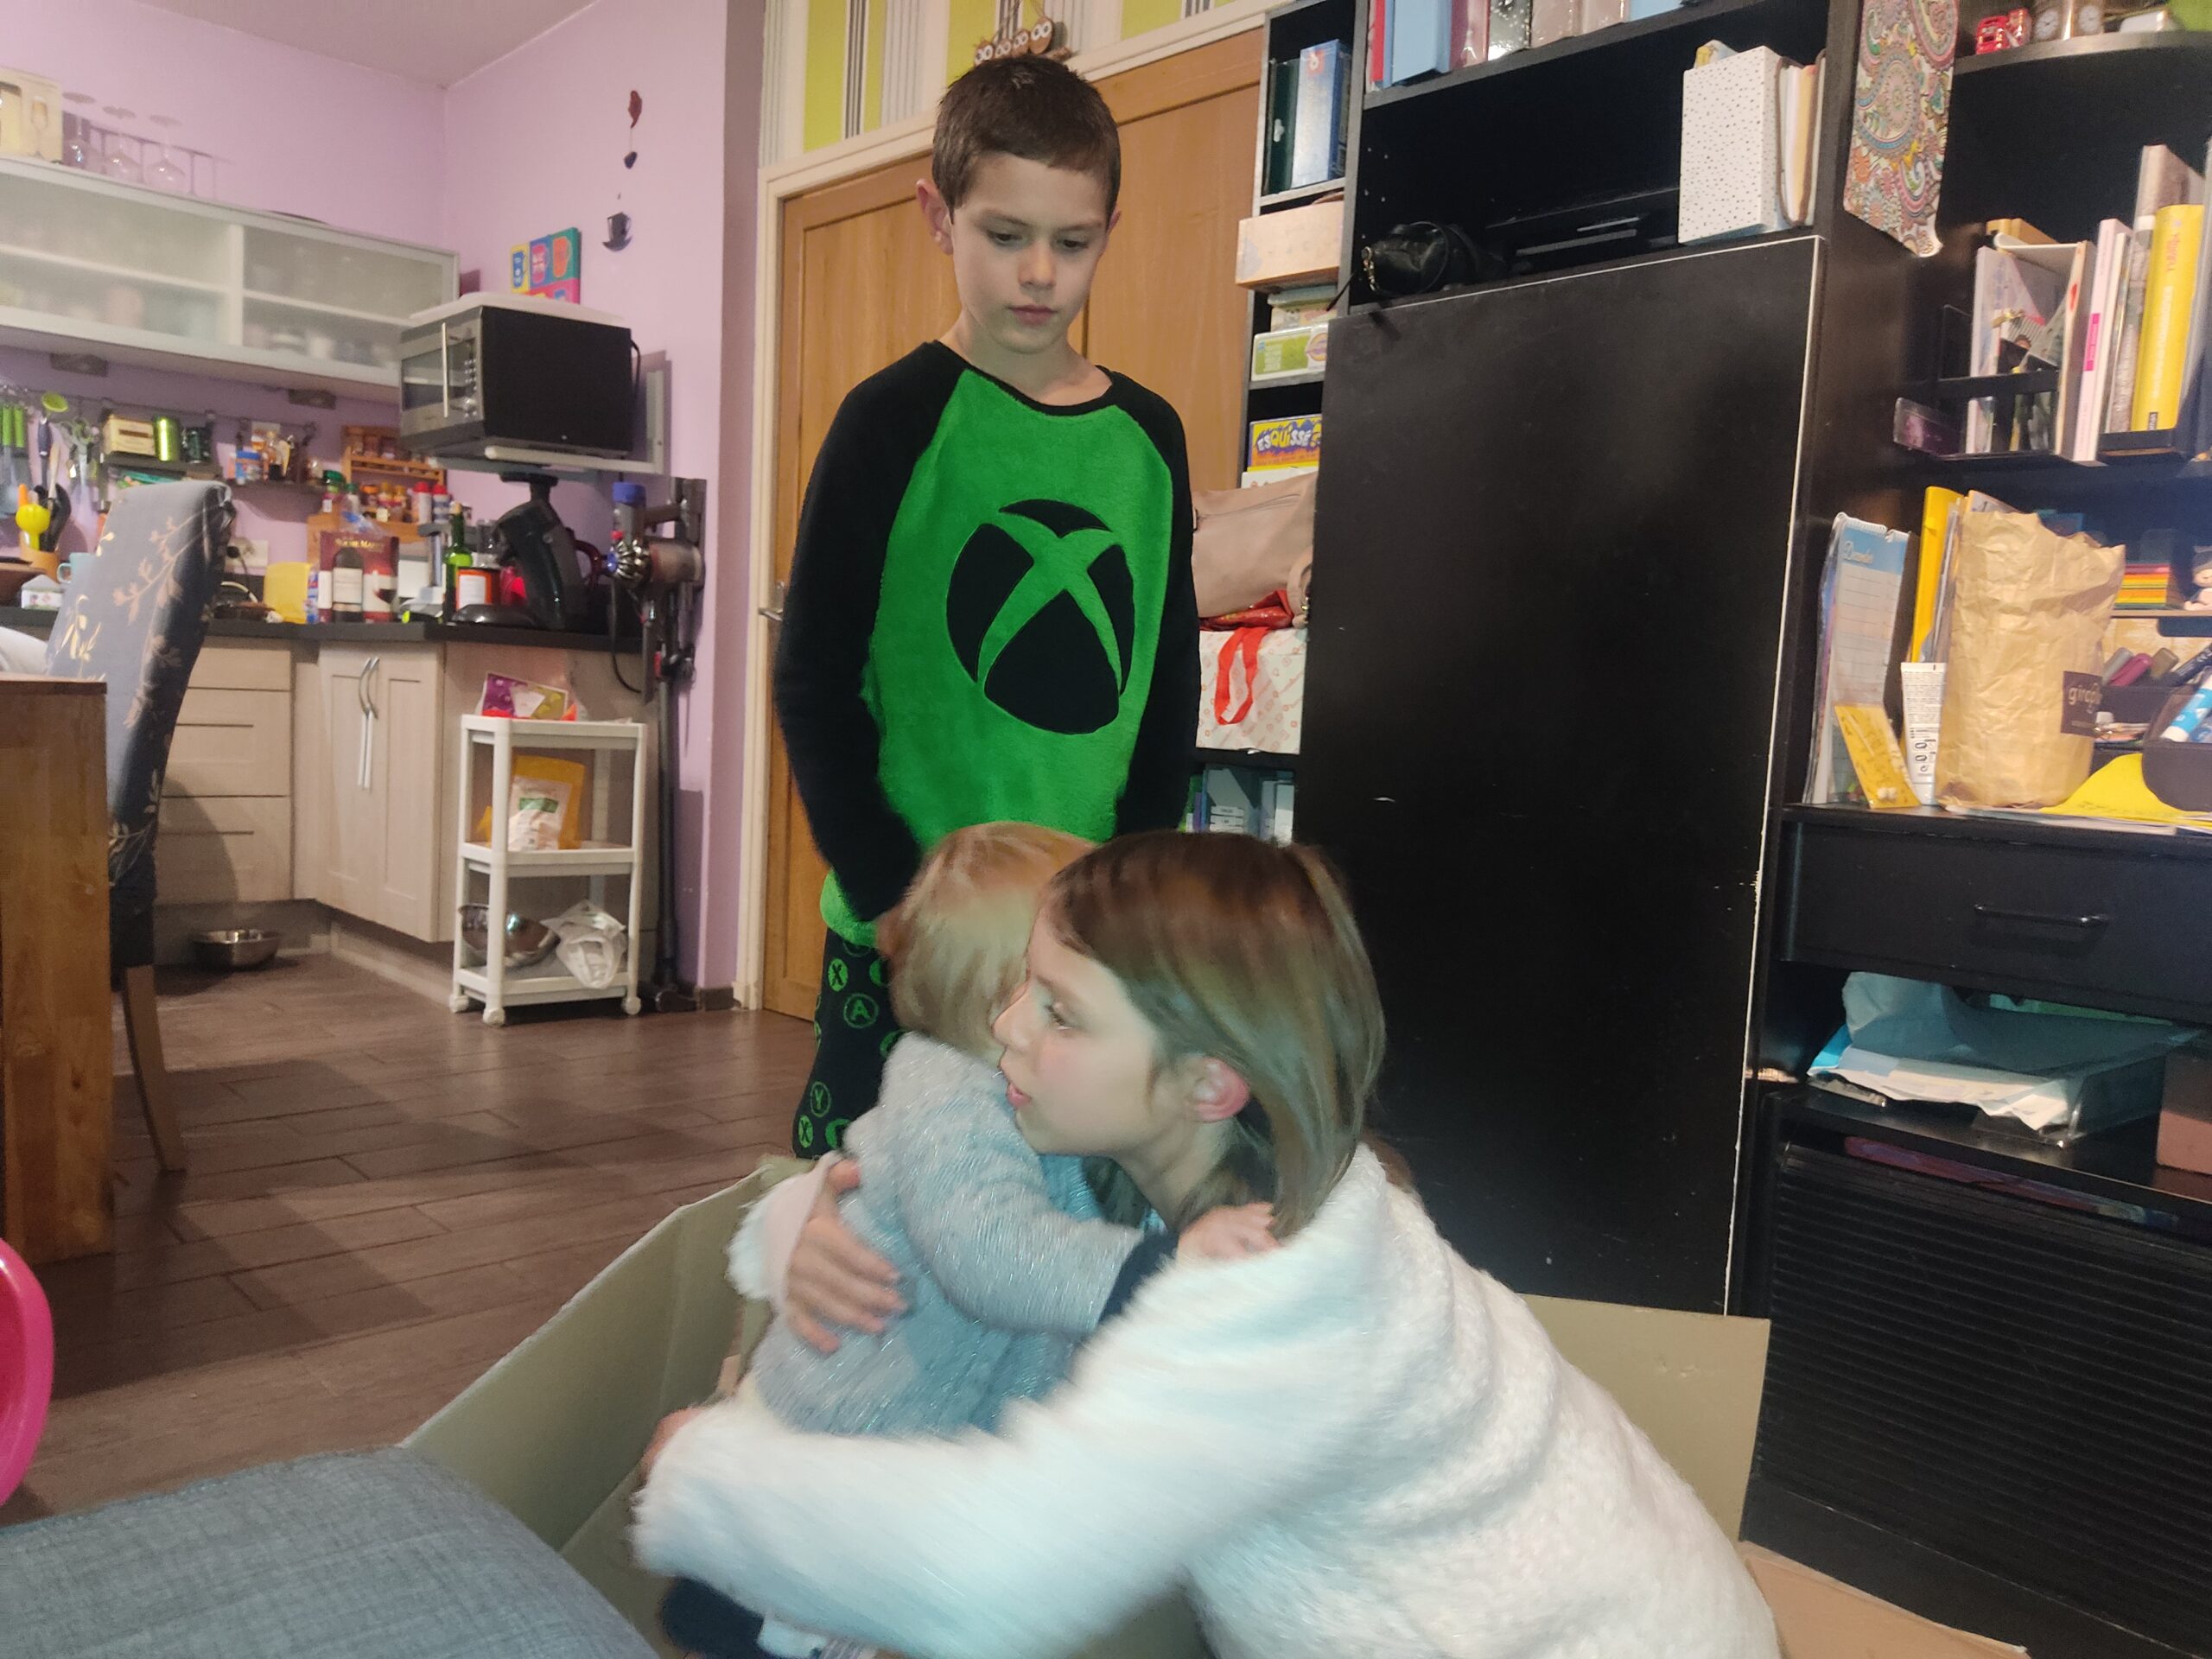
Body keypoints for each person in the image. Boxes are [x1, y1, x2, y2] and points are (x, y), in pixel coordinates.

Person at [633, 834, 1782, 1659]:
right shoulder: (1220, 1172)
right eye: (1025, 987)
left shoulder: (1266, 1288)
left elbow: (997, 1572)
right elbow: (963, 1212)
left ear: (1205, 1082)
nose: (1004, 1028)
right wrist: (806, 1224)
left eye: (1059, 1011)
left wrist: (699, 1470)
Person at [673, 823, 1271, 1659]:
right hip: (821, 1469)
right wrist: (1162, 1269)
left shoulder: (1054, 1108)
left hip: (895, 1483)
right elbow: (994, 1252)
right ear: (1012, 1002)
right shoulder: (948, 1089)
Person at [773, 54, 1199, 1157]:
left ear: (1109, 231)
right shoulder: (889, 420)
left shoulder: (1148, 439)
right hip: (908, 931)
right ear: (938, 216)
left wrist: (1133, 896)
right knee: (860, 1200)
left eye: (1074, 242)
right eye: (1005, 236)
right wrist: (888, 897)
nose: (1040, 275)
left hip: (1080, 945)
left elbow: (1165, 693)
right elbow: (813, 680)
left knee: (1058, 1208)